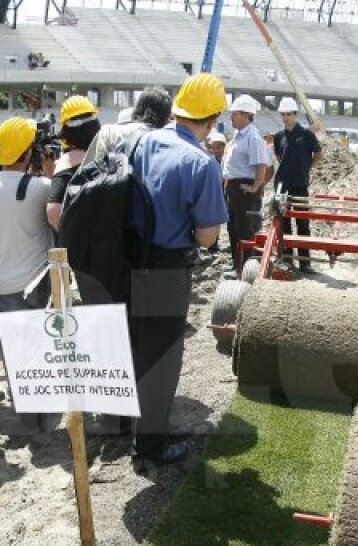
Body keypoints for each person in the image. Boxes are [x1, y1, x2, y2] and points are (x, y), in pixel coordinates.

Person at [127, 73, 228, 467]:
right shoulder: (202, 163)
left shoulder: (144, 141)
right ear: (212, 118)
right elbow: (206, 237)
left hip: (131, 258)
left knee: (136, 346)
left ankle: (128, 424)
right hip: (167, 268)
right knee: (162, 358)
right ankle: (149, 447)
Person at [0, 117, 55, 431]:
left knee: (14, 350)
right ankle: (45, 409)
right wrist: (48, 168)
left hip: (3, 281)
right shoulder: (41, 187)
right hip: (37, 281)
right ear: (28, 152)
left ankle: (25, 412)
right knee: (42, 346)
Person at [222, 94, 271, 275]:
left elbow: (261, 165)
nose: (231, 117)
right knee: (233, 227)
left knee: (244, 229)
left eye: (234, 114)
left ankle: (244, 269)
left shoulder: (252, 137)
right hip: (234, 187)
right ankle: (237, 264)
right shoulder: (238, 135)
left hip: (244, 188)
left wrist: (255, 187)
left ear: (245, 115)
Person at [273, 96, 322, 270]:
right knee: (284, 223)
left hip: (300, 185)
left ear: (295, 115)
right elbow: (279, 156)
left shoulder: (306, 134)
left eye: (289, 114)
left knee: (302, 223)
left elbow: (318, 153)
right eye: (283, 115)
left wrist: (306, 168)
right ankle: (287, 259)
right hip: (282, 185)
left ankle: (305, 263)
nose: (286, 118)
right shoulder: (279, 137)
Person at [47, 95, 102, 235]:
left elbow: (54, 211)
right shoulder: (105, 156)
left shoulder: (65, 164)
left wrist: (75, 238)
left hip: (78, 252)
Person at [86, 86, 172, 164]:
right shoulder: (173, 138)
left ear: (137, 108)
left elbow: (90, 168)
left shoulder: (109, 132)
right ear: (167, 115)